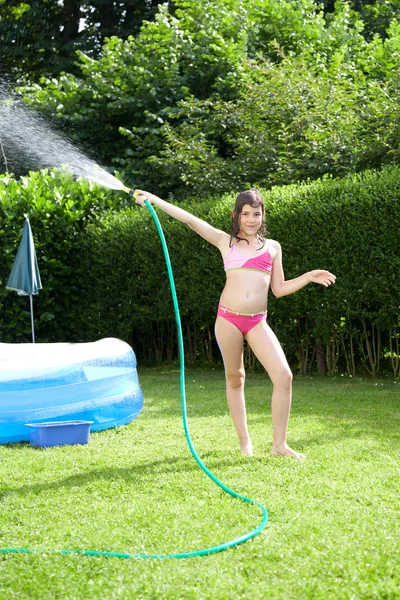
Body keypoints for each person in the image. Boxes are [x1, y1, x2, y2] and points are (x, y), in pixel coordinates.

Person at [134, 188, 336, 460]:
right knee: (235, 377)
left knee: (284, 376)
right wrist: (155, 201)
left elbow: (278, 289)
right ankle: (245, 443)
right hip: (228, 319)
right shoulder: (225, 242)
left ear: (263, 215)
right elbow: (191, 220)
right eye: (246, 214)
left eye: (256, 213)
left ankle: (280, 445)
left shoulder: (273, 247)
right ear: (236, 216)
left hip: (257, 321)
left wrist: (307, 277)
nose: (251, 219)